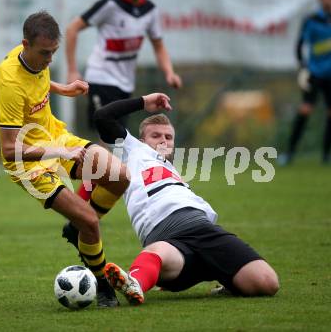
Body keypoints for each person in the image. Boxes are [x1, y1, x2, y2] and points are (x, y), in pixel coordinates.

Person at [0, 11, 130, 307]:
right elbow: (10, 149)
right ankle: (103, 285)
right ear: (25, 43)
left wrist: (63, 89)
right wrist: (61, 153)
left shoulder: (29, 56)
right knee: (91, 222)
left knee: (119, 176)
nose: (50, 59)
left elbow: (37, 81)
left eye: (53, 52)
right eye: (44, 53)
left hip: (55, 138)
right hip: (30, 165)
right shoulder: (8, 83)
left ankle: (76, 228)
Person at [91, 93, 279, 305]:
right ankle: (135, 283)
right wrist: (144, 102)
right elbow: (103, 117)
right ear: (142, 140)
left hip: (203, 229)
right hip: (165, 234)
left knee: (267, 283)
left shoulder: (171, 169)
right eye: (156, 135)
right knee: (157, 252)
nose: (163, 139)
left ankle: (226, 278)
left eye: (168, 137)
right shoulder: (133, 150)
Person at [65, 0, 182, 200]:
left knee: (114, 150)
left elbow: (158, 44)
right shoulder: (109, 4)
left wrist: (169, 72)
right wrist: (73, 69)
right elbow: (72, 28)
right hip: (100, 79)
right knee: (107, 147)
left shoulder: (149, 10)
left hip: (125, 85)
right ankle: (81, 206)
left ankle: (84, 206)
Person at [280, 0, 331, 165]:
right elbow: (300, 46)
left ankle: (326, 156)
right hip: (315, 73)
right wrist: (303, 68)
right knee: (306, 109)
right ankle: (290, 153)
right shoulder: (312, 20)